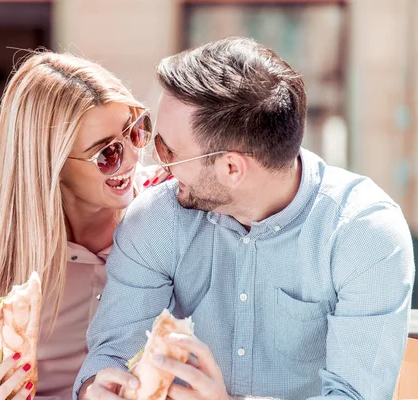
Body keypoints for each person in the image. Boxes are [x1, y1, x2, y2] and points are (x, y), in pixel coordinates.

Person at [75, 37, 415, 400]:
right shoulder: (155, 219)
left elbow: (355, 396)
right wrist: (97, 387)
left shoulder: (363, 234)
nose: (158, 165)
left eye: (167, 149)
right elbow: (111, 354)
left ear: (231, 167)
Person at [0, 51, 165, 400]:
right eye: (107, 153)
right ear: (51, 163)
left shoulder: (159, 203)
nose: (132, 158)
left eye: (136, 131)